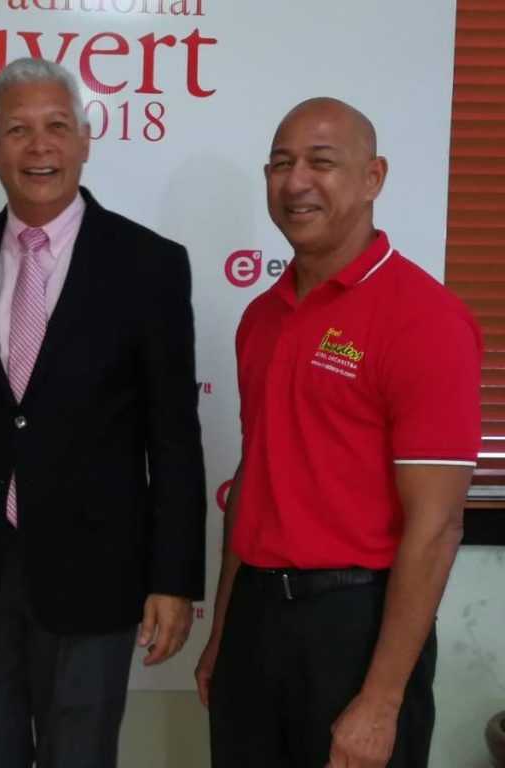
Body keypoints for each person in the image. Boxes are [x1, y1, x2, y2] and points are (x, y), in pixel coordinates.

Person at [0, 57, 206, 768]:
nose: (40, 147)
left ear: (86, 139)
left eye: (57, 127)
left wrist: (174, 578)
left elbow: (174, 438)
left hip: (99, 573)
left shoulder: (149, 265)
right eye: (19, 130)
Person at [195, 97, 482, 768]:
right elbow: (254, 484)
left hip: (357, 629)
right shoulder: (261, 318)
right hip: (256, 623)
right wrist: (224, 632)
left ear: (373, 177)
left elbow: (437, 525)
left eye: (321, 162)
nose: (296, 181)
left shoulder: (424, 319)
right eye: (280, 163)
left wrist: (381, 701)